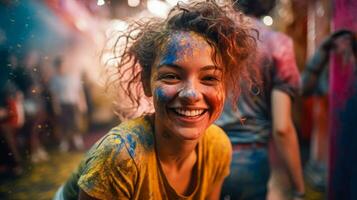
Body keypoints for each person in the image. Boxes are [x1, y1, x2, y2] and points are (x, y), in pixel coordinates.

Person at [54, 0, 258, 199]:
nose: (191, 94)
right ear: (146, 82)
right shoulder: (120, 157)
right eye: (171, 76)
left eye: (209, 78)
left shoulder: (218, 146)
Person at [216, 0, 305, 199]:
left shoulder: (214, 38)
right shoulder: (278, 44)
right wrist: (299, 189)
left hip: (206, 152)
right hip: (252, 160)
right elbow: (282, 128)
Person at [301, 29, 356, 191]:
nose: (342, 46)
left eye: (347, 41)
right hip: (325, 156)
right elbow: (304, 89)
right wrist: (322, 52)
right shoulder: (327, 69)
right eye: (338, 41)